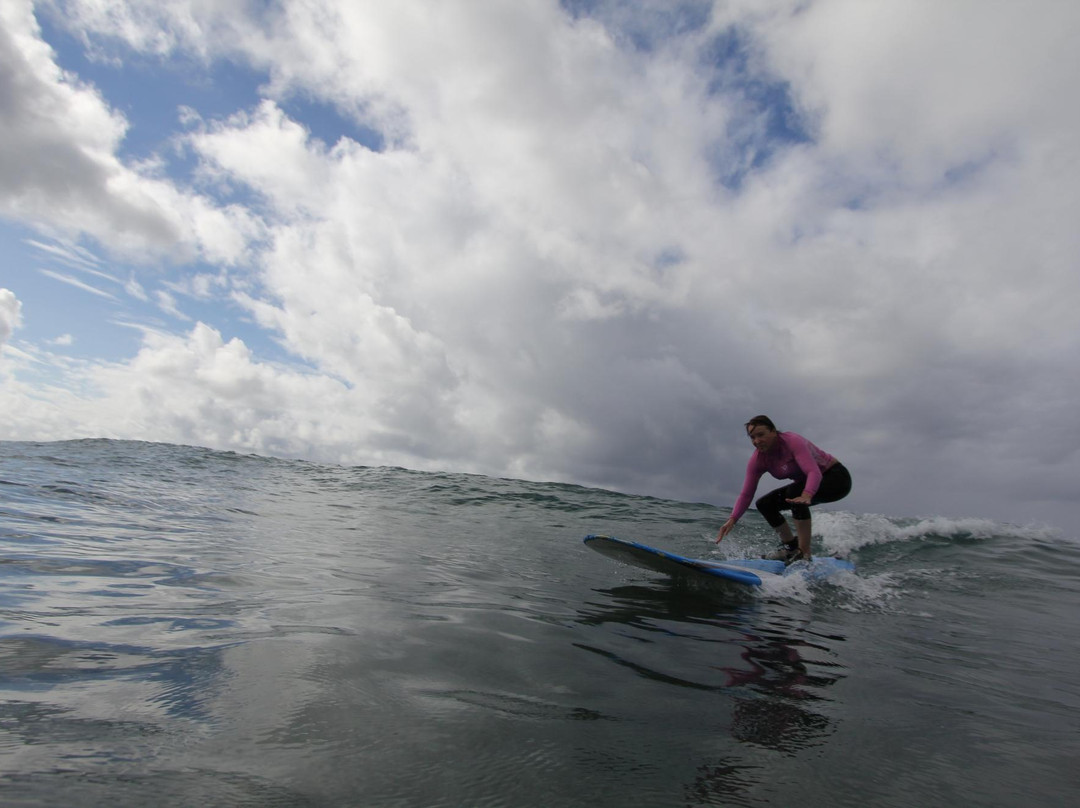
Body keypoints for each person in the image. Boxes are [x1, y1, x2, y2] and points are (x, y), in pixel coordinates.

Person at [715, 415, 851, 563]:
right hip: (808, 484)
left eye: (761, 435)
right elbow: (746, 494)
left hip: (837, 479)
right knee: (764, 504)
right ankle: (791, 548)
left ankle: (804, 554)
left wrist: (807, 494)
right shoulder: (758, 460)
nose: (756, 441)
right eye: (752, 437)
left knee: (795, 494)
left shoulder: (792, 441)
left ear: (773, 431)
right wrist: (733, 519)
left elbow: (813, 472)